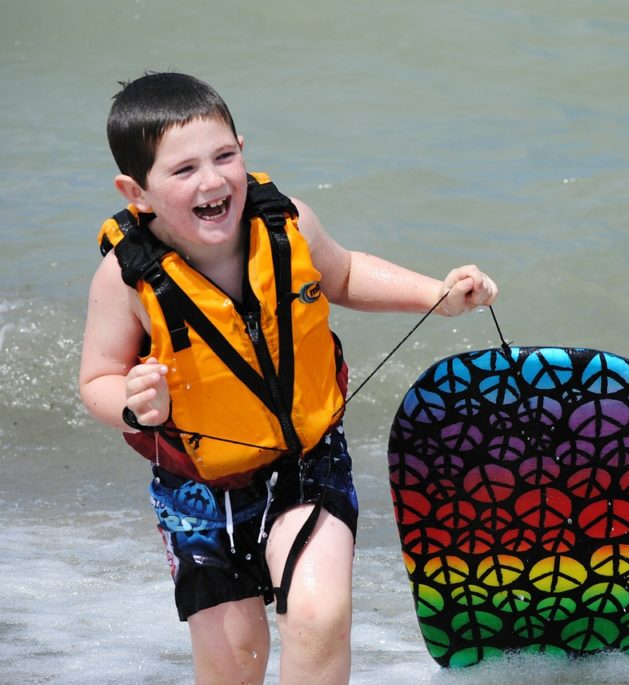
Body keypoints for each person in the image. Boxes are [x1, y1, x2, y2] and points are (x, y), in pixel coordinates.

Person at [79, 72, 498, 684]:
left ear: (244, 150)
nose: (213, 180)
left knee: (318, 615)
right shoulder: (126, 279)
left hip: (309, 459)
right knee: (235, 656)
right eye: (184, 169)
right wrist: (136, 404)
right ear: (135, 191)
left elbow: (347, 274)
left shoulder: (288, 223)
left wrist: (437, 295)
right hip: (198, 489)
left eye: (225, 156)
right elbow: (98, 379)